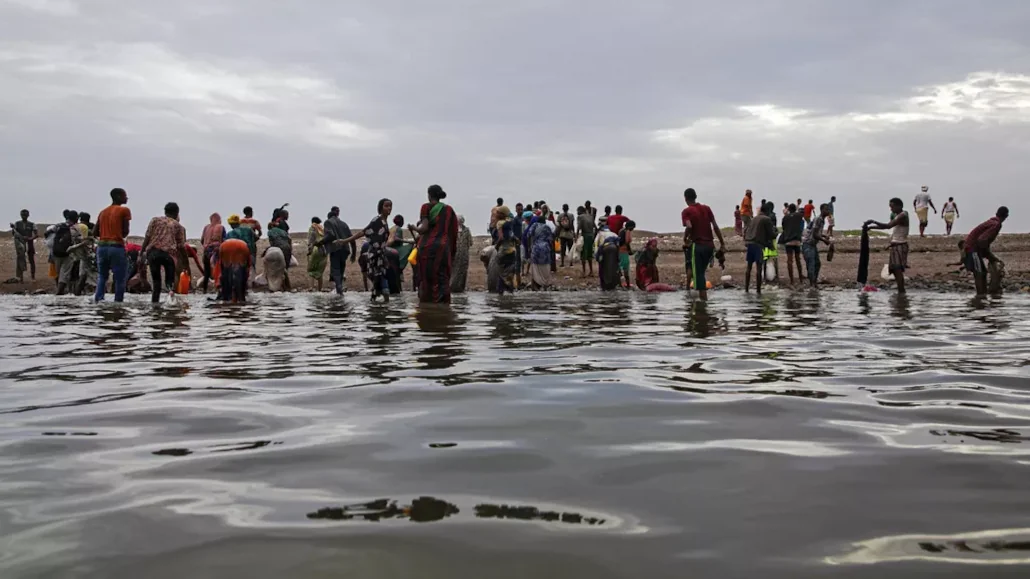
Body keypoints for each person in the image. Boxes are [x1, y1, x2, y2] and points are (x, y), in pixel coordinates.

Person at [410, 185, 459, 303]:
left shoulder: (426, 207)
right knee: (442, 277)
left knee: (426, 277)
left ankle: (427, 305)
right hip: (443, 247)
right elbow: (453, 231)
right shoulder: (449, 210)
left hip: (427, 248)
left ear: (429, 195)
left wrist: (413, 227)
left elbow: (423, 228)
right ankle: (444, 306)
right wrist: (451, 251)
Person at [343, 199, 394, 302]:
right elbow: (363, 232)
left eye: (390, 206)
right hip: (375, 255)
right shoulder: (377, 220)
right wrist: (345, 240)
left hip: (381, 255)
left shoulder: (385, 222)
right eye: (386, 206)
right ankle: (383, 301)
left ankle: (375, 301)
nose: (389, 208)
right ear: (381, 208)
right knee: (379, 279)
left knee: (378, 280)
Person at [682, 188, 726, 301]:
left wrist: (685, 238)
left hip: (698, 246)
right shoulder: (706, 208)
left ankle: (702, 304)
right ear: (696, 196)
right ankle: (703, 303)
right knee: (701, 272)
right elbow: (715, 226)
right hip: (710, 247)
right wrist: (722, 243)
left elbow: (689, 226)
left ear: (685, 198)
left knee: (699, 275)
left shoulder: (686, 211)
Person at [139, 202, 187, 303]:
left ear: (165, 212)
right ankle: (171, 300)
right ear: (177, 213)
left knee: (156, 282)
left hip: (153, 254)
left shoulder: (155, 220)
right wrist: (185, 263)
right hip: (168, 256)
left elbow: (147, 237)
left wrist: (141, 253)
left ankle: (155, 305)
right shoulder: (178, 226)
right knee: (170, 282)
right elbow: (182, 247)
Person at [864, 198, 910, 293]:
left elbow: (888, 226)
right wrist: (871, 227)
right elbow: (888, 226)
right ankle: (901, 292)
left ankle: (901, 291)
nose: (891, 209)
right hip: (895, 245)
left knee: (897, 269)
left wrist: (873, 222)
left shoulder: (903, 215)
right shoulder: (897, 215)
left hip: (900, 245)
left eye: (892, 207)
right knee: (895, 270)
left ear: (899, 206)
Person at [93, 189, 132, 301]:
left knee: (102, 276)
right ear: (118, 196)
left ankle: (98, 300)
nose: (127, 198)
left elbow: (95, 232)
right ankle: (118, 303)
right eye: (125, 196)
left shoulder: (103, 212)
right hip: (116, 247)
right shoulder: (124, 210)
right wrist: (117, 233)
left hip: (102, 247)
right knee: (120, 278)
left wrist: (106, 233)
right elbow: (125, 232)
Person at [963, 207, 1008, 297]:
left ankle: (982, 295)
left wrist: (989, 255)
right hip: (972, 249)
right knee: (979, 273)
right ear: (1006, 216)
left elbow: (983, 240)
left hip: (973, 249)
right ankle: (980, 296)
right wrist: (989, 255)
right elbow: (982, 240)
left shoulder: (991, 222)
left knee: (983, 272)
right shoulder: (996, 224)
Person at [320, 208, 356, 295]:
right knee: (341, 269)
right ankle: (339, 289)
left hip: (335, 249)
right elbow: (352, 239)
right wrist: (354, 254)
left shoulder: (328, 222)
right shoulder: (344, 224)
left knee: (336, 270)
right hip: (345, 250)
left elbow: (330, 235)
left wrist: (320, 243)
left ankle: (339, 290)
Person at [744, 203, 776, 294]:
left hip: (750, 243)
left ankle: (746, 289)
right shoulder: (766, 219)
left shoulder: (754, 219)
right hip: (758, 245)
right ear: (768, 210)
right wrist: (776, 233)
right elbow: (771, 235)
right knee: (759, 268)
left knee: (749, 267)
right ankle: (758, 291)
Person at [802, 204, 832, 288]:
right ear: (822, 210)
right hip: (808, 244)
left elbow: (815, 232)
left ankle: (813, 283)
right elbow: (815, 234)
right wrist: (824, 240)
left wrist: (824, 236)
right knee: (811, 265)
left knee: (817, 264)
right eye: (826, 209)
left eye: (828, 209)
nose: (828, 211)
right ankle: (812, 284)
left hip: (812, 244)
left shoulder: (821, 220)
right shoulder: (818, 219)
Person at [491, 206, 519, 294]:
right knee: (510, 273)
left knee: (500, 271)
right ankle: (510, 291)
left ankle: (501, 292)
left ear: (501, 214)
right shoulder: (509, 222)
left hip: (503, 251)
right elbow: (516, 239)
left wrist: (496, 246)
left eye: (497, 212)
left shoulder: (499, 223)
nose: (495, 214)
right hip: (512, 251)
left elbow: (501, 238)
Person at [526, 214, 555, 289]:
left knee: (535, 266)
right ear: (544, 221)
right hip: (545, 248)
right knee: (545, 266)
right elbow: (551, 240)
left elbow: (528, 235)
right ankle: (544, 283)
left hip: (536, 248)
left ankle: (534, 284)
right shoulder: (547, 227)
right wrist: (551, 249)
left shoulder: (534, 225)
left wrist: (529, 246)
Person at [218, 237, 250, 303]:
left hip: (225, 247)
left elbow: (221, 264)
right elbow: (247, 264)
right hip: (243, 247)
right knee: (241, 273)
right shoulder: (244, 244)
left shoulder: (223, 244)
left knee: (226, 273)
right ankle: (240, 297)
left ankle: (227, 297)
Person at [199, 212, 224, 294]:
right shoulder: (221, 227)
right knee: (218, 270)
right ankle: (218, 289)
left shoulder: (206, 227)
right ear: (218, 220)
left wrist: (206, 246)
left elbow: (202, 240)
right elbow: (224, 240)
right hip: (215, 251)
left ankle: (204, 290)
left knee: (207, 272)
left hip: (206, 251)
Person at [781, 203, 805, 286]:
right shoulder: (799, 216)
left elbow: (784, 228)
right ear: (795, 209)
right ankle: (800, 278)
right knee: (798, 260)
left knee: (790, 261)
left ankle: (792, 280)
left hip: (788, 241)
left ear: (789, 209)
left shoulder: (785, 217)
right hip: (797, 240)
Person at [12, 209, 38, 283]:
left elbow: (36, 234)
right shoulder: (17, 224)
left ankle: (33, 276)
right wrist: (13, 228)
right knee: (20, 259)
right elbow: (14, 234)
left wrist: (30, 238)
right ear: (20, 215)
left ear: (28, 215)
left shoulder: (32, 224)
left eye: (25, 215)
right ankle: (21, 277)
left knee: (31, 260)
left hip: (29, 244)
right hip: (20, 244)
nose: (24, 216)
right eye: (23, 215)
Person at [267, 216, 292, 291]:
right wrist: (290, 249)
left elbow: (272, 243)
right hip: (287, 248)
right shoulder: (282, 231)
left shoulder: (270, 232)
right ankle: (287, 286)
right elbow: (289, 239)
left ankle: (283, 286)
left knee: (280, 267)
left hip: (279, 249)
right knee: (285, 267)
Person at [595, 218, 620, 291]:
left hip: (605, 249)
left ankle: (605, 285)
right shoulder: (614, 234)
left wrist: (597, 256)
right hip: (614, 249)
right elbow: (618, 245)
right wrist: (618, 257)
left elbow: (596, 245)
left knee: (603, 267)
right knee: (613, 266)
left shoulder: (600, 234)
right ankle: (613, 284)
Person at [450, 215, 473, 294]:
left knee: (462, 270)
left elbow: (470, 242)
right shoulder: (452, 229)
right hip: (455, 253)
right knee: (454, 270)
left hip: (463, 254)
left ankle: (460, 288)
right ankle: (453, 287)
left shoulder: (466, 230)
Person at [307, 216, 327, 292]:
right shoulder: (322, 229)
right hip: (324, 250)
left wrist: (309, 251)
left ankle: (311, 288)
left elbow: (311, 240)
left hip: (315, 249)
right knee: (320, 270)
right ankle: (320, 289)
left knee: (311, 270)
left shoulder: (312, 228)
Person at [575, 205, 596, 277]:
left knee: (583, 254)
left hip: (585, 236)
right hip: (591, 236)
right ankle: (591, 271)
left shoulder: (580, 217)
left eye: (577, 211)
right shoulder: (590, 216)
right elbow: (595, 227)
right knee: (590, 254)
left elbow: (578, 227)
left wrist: (576, 237)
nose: (577, 212)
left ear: (580, 211)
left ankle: (584, 272)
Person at [618, 220, 635, 288]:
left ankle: (620, 284)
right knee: (625, 269)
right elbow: (627, 242)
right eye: (633, 227)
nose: (633, 229)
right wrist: (630, 251)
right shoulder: (627, 231)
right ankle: (628, 285)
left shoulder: (621, 231)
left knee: (619, 267)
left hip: (619, 251)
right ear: (630, 227)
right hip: (624, 251)